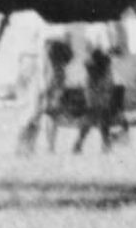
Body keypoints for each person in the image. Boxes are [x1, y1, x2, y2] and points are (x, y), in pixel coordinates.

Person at [68, 24, 122, 153]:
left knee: (97, 110)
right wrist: (114, 50)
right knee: (99, 110)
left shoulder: (96, 27)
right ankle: (99, 143)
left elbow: (88, 52)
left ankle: (84, 143)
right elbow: (104, 51)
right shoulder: (102, 28)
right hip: (99, 71)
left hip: (96, 72)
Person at [20, 27, 72, 154]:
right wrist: (43, 81)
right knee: (38, 113)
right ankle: (29, 146)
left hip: (53, 77)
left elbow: (66, 58)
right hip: (47, 77)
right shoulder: (48, 43)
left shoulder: (56, 43)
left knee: (48, 114)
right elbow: (45, 59)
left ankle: (45, 147)